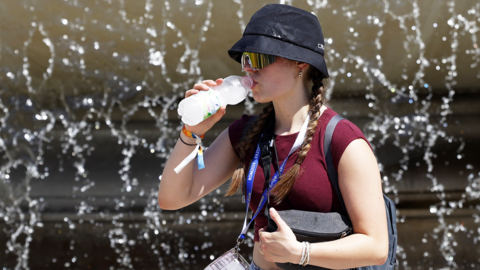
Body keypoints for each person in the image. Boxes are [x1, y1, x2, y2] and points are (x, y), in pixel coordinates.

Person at [158, 4, 388, 270]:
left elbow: (376, 246)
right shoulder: (246, 132)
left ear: (300, 62)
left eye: (259, 59)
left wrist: (300, 253)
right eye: (246, 58)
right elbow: (172, 198)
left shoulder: (342, 139)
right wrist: (192, 131)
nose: (248, 69)